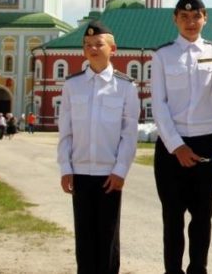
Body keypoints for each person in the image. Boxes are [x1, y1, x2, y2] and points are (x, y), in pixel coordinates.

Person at [57, 20, 139, 274]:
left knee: (108, 238)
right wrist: (65, 168)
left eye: (99, 44)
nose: (93, 48)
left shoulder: (125, 87)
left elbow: (129, 133)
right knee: (84, 239)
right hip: (80, 172)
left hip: (109, 175)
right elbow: (66, 131)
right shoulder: (72, 85)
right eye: (87, 45)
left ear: (112, 49)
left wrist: (121, 170)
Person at [151, 0, 212, 274]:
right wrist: (176, 146)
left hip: (207, 141)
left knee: (203, 216)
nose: (190, 22)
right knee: (172, 217)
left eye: (196, 16)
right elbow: (159, 105)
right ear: (175, 19)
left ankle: (198, 269)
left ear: (205, 18)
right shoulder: (163, 55)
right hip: (172, 147)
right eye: (184, 17)